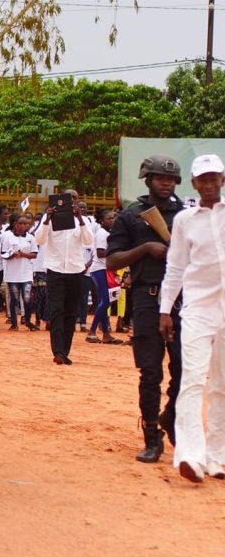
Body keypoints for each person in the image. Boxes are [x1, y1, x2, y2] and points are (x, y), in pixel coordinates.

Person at [106, 155, 184, 463]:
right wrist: (145, 250)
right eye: (159, 178)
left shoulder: (185, 215)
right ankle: (152, 435)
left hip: (181, 299)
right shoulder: (131, 216)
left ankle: (171, 415)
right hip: (146, 298)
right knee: (150, 371)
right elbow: (112, 261)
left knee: (184, 368)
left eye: (171, 179)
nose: (166, 183)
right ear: (147, 180)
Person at [159, 154, 225, 483]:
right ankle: (190, 457)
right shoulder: (185, 220)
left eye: (216, 178)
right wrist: (165, 309)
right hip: (198, 308)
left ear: (222, 180)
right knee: (193, 380)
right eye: (204, 179)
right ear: (195, 183)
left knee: (223, 386)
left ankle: (218, 457)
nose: (210, 184)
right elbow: (175, 267)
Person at [35, 189, 93, 365]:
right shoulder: (51, 219)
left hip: (75, 270)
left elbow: (89, 240)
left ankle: (65, 351)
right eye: (69, 198)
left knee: (71, 312)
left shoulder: (83, 221)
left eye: (74, 199)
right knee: (56, 310)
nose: (72, 202)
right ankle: (58, 352)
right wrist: (47, 219)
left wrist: (81, 219)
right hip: (55, 270)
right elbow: (39, 240)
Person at [85, 208, 122, 345]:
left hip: (104, 269)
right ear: (101, 221)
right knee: (105, 301)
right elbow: (100, 253)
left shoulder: (109, 233)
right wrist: (116, 251)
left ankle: (105, 334)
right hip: (99, 269)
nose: (112, 220)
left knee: (104, 301)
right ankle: (92, 331)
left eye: (113, 218)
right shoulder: (102, 234)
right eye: (108, 218)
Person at [1, 214, 38, 331]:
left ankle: (27, 320)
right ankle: (14, 323)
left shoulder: (30, 238)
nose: (23, 226)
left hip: (26, 272)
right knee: (14, 298)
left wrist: (23, 255)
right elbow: (3, 253)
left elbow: (34, 254)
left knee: (27, 298)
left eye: (25, 224)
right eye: (20, 223)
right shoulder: (8, 238)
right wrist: (12, 255)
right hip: (12, 273)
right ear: (15, 224)